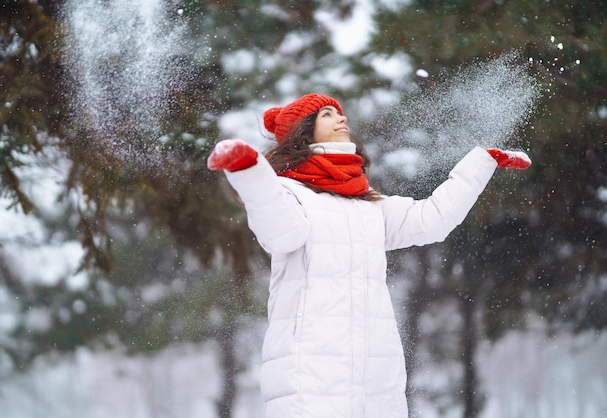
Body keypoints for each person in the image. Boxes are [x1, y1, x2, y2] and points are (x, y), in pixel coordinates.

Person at [207, 93, 531, 418]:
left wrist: (481, 163)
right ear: (304, 132)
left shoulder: (368, 205)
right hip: (310, 372)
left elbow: (432, 219)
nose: (341, 119)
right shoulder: (290, 193)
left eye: (340, 113)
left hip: (377, 374)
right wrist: (249, 172)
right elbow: (281, 233)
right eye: (328, 115)